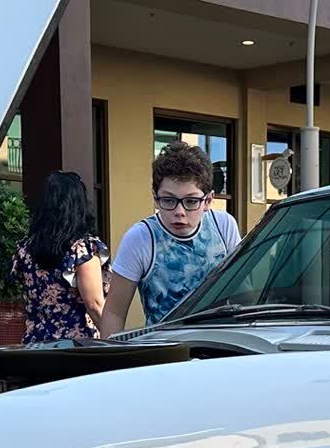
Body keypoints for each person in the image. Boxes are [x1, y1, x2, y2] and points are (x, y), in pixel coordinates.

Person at [99, 141, 242, 335]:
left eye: (191, 201)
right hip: (165, 347)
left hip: (222, 341)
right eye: (168, 200)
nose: (179, 211)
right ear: (155, 198)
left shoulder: (223, 226)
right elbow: (114, 312)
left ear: (208, 200)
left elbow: (243, 292)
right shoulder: (141, 238)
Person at [12, 171, 106, 343]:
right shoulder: (82, 249)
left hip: (35, 343)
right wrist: (117, 339)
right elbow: (94, 305)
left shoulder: (25, 249)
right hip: (76, 344)